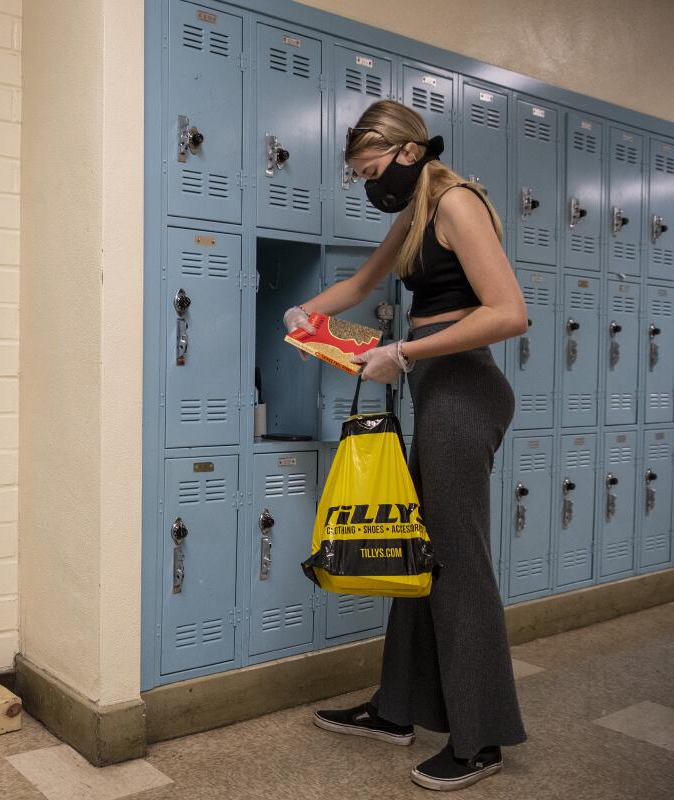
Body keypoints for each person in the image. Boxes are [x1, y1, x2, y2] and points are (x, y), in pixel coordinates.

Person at [283, 99, 529, 792]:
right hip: (436, 389)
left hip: (463, 390)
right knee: (418, 552)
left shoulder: (455, 203)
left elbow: (509, 312)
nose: (368, 181)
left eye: (371, 168)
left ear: (410, 153)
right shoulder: (414, 212)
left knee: (457, 565)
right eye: (358, 172)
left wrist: (405, 352)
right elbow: (363, 283)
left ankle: (479, 739)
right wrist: (307, 315)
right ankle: (397, 710)